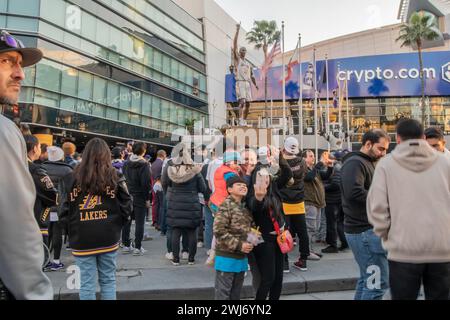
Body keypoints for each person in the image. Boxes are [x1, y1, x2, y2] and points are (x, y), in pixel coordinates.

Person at [368, 119, 450, 300]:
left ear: (398, 139)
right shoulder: (445, 164)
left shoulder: (386, 165)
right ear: (423, 137)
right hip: (442, 249)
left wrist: (387, 235)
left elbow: (377, 208)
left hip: (403, 249)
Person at [0, 30, 53, 299]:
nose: (20, 74)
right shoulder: (4, 131)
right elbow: (17, 232)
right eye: (6, 61)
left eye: (20, 64)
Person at [60, 138, 132, 300]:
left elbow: (63, 210)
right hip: (108, 234)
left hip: (81, 237)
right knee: (108, 280)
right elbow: (127, 205)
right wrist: (118, 225)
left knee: (86, 283)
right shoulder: (115, 176)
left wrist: (70, 232)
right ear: (106, 155)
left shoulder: (71, 178)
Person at [340, 129, 390, 300]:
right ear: (368, 144)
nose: (383, 153)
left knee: (367, 281)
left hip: (364, 232)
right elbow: (353, 192)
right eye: (381, 149)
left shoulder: (366, 162)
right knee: (376, 285)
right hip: (364, 232)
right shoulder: (355, 163)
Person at [247, 147, 293, 300]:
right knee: (268, 279)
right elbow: (254, 208)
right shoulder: (253, 194)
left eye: (266, 176)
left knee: (278, 280)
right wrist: (259, 198)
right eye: (260, 176)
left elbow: (287, 174)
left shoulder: (273, 189)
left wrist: (279, 156)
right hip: (264, 241)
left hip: (279, 239)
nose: (264, 179)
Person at [162, 147, 206, 265]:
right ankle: (190, 258)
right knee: (191, 231)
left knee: (176, 230)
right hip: (192, 203)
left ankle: (176, 259)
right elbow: (203, 188)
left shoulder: (171, 169)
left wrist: (169, 194)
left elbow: (165, 183)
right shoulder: (195, 170)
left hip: (175, 202)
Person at [214, 176, 255, 300]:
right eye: (239, 185)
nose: (243, 186)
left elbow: (251, 227)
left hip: (241, 258)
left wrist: (253, 240)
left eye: (244, 185)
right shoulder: (226, 205)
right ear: (229, 189)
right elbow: (219, 230)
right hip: (226, 258)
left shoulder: (244, 207)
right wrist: (240, 245)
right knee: (223, 294)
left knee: (235, 294)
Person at [279, 137, 310, 271]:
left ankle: (284, 262)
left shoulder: (280, 162)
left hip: (284, 201)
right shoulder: (302, 162)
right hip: (298, 201)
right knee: (303, 232)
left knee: (284, 232)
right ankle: (303, 260)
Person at [41, 146, 73, 271]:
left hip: (45, 207)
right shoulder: (68, 170)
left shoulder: (42, 168)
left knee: (45, 233)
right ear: (61, 157)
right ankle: (56, 260)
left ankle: (45, 260)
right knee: (57, 233)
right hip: (60, 207)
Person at [25, 135, 58, 249]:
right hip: (34, 222)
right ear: (35, 148)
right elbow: (53, 195)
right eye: (39, 146)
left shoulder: (11, 166)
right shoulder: (36, 170)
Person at [302, 149, 333, 260]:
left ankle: (310, 250)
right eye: (310, 156)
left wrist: (330, 166)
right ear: (304, 158)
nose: (313, 157)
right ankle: (307, 252)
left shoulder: (314, 169)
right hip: (310, 202)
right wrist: (319, 164)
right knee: (310, 228)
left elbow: (326, 176)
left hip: (318, 203)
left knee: (315, 228)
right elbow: (308, 178)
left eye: (313, 155)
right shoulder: (303, 168)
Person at [122, 142, 152, 256]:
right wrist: (147, 198)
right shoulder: (145, 165)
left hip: (127, 195)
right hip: (140, 196)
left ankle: (126, 245)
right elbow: (146, 184)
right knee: (140, 222)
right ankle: (138, 247)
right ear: (143, 152)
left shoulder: (126, 163)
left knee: (127, 220)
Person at [321, 150, 348, 253]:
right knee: (339, 222)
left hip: (333, 200)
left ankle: (333, 245)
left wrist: (322, 187)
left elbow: (335, 184)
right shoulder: (340, 166)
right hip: (338, 199)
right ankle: (344, 242)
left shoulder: (336, 167)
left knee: (332, 223)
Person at [233, 24, 258, 126]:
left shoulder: (248, 64)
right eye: (242, 49)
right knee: (242, 101)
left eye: (244, 50)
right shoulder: (238, 59)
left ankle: (244, 119)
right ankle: (239, 119)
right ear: (239, 52)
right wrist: (237, 30)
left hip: (247, 84)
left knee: (248, 103)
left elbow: (252, 75)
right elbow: (234, 44)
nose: (243, 51)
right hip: (240, 83)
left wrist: (255, 84)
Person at [151, 150, 167, 232]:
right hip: (160, 184)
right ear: (163, 155)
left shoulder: (153, 164)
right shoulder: (162, 164)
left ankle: (155, 221)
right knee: (161, 204)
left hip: (153, 185)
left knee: (155, 203)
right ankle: (160, 223)